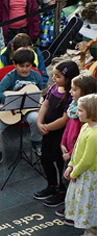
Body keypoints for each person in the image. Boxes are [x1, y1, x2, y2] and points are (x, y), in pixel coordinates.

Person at [0, 49, 48, 171]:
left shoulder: (36, 76)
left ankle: (36, 143)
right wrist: (11, 101)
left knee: (36, 118)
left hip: (28, 109)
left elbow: (39, 93)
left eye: (28, 66)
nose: (25, 69)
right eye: (21, 66)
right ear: (15, 64)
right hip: (9, 111)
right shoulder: (10, 77)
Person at [33, 61, 78, 207]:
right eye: (54, 75)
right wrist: (39, 123)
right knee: (45, 158)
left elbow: (65, 119)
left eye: (58, 76)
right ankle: (51, 184)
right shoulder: (53, 88)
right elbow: (45, 104)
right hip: (48, 133)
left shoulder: (70, 96)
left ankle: (62, 189)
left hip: (60, 134)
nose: (54, 78)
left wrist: (47, 126)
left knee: (60, 162)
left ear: (68, 78)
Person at [64, 93, 97, 235]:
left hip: (89, 176)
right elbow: (77, 148)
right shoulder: (85, 127)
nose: (77, 113)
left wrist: (74, 172)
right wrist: (71, 164)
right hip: (79, 172)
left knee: (90, 204)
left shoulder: (95, 134)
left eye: (80, 110)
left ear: (92, 111)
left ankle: (93, 229)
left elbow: (87, 160)